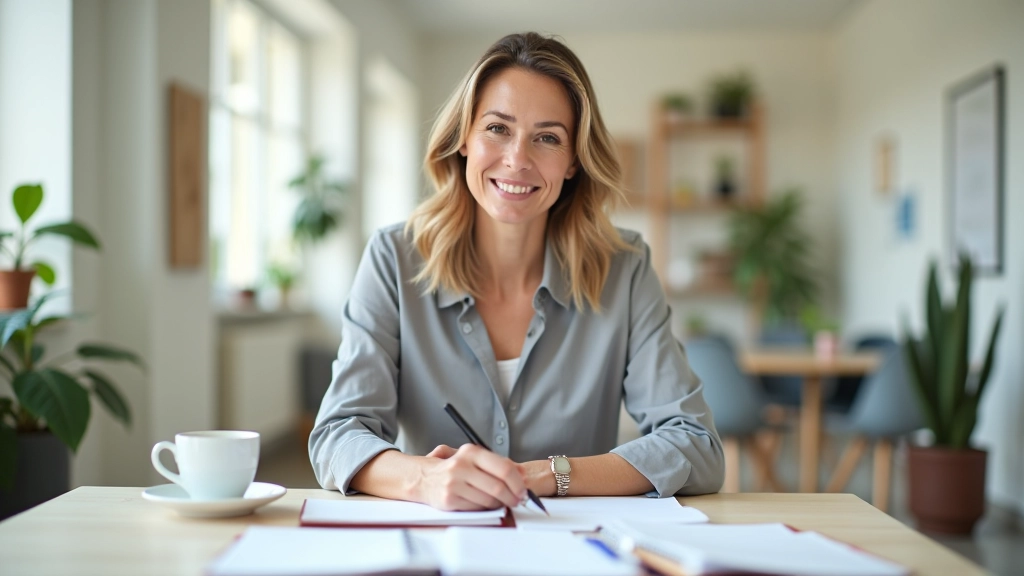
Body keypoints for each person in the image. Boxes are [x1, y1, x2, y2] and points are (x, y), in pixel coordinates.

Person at [309, 32, 724, 511]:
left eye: (547, 138)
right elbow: (337, 436)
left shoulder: (624, 267)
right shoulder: (394, 259)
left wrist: (546, 475)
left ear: (573, 161)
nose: (517, 160)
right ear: (464, 137)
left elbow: (696, 445)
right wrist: (425, 479)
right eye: (497, 129)